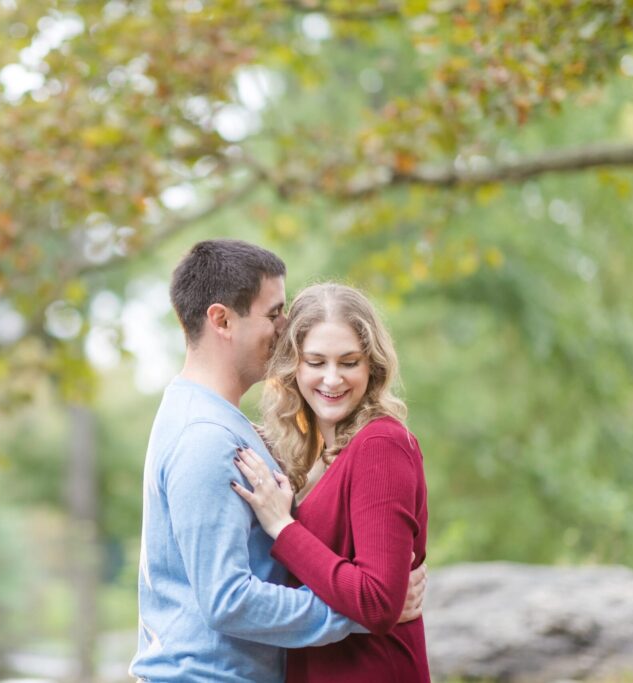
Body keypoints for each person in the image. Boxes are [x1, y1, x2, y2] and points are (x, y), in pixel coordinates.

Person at [129, 242, 425, 683]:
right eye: (273, 313)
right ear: (222, 320)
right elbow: (228, 599)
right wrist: (359, 612)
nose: (285, 327)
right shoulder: (204, 437)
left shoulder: (225, 427)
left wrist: (371, 598)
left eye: (348, 362)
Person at [233, 282, 430, 682]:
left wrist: (282, 528)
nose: (333, 379)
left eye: (349, 361)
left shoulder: (380, 444)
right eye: (316, 362)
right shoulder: (317, 451)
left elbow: (377, 603)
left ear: (371, 365)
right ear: (295, 366)